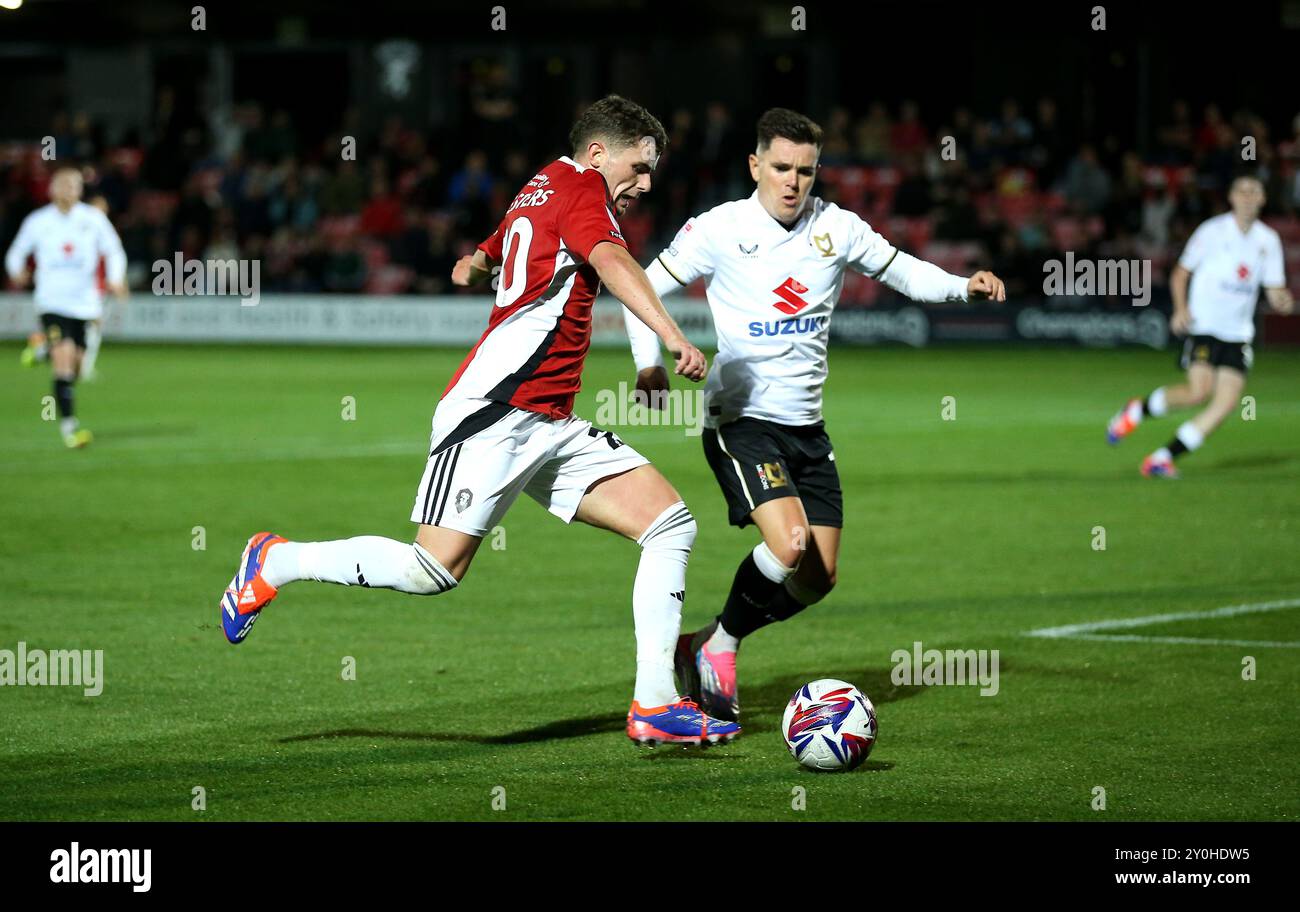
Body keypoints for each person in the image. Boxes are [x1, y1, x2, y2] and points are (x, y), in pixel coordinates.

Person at [218, 95, 740, 747]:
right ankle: (277, 561)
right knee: (430, 571)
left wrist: (478, 261)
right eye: (639, 167)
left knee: (670, 525)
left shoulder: (543, 182)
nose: (647, 183)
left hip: (548, 420)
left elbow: (501, 242)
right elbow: (611, 262)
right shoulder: (582, 192)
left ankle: (656, 705)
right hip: (496, 410)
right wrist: (671, 334)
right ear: (599, 154)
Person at [624, 108, 1006, 722]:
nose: (792, 181)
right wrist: (650, 366)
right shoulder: (720, 229)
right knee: (790, 542)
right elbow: (642, 285)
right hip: (740, 419)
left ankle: (707, 640)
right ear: (755, 165)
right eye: (780, 167)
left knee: (817, 578)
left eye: (805, 170)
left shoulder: (838, 227)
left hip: (807, 430)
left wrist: (965, 287)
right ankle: (719, 651)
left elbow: (903, 271)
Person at [1106, 175, 1293, 477]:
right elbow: (1181, 273)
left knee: (1225, 404)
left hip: (1239, 333)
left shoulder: (1268, 240)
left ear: (1262, 199)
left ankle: (1161, 458)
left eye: (1254, 192)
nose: (1248, 197)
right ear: (1231, 198)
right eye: (1242, 191)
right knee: (1198, 393)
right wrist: (1181, 309)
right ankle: (1137, 410)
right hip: (1205, 324)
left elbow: (1274, 289)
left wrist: (1282, 300)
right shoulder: (1212, 231)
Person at [5, 167, 127, 448]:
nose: (68, 190)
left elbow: (114, 250)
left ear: (80, 190)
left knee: (77, 366)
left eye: (73, 185)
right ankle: (70, 430)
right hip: (52, 301)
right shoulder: (38, 221)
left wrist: (115, 279)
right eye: (62, 185)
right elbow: (17, 252)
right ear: (51, 189)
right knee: (63, 361)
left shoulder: (93, 219)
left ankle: (42, 349)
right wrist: (16, 271)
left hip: (84, 304)